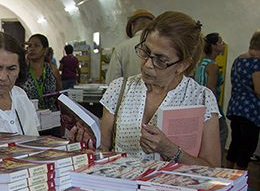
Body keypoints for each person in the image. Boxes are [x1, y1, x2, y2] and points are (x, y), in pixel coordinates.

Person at [70, 11, 221, 167]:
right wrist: (87, 143)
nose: (148, 64)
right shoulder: (120, 89)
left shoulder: (200, 98)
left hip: (171, 190)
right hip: (122, 187)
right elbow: (104, 149)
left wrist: (171, 150)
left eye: (160, 60)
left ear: (183, 65)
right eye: (146, 52)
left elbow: (212, 167)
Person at [226, 30, 260, 191]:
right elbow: (258, 89)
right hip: (251, 110)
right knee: (248, 145)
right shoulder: (257, 62)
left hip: (236, 106)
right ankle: (241, 184)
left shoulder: (239, 59)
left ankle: (227, 177)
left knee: (236, 142)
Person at [194, 33, 228, 153]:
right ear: (214, 46)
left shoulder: (201, 64)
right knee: (222, 132)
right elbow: (210, 90)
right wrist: (216, 110)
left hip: (198, 104)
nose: (223, 44)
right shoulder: (212, 66)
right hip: (209, 106)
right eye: (220, 42)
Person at [106, 9, 155, 83]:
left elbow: (112, 81)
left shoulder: (121, 48)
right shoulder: (161, 47)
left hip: (127, 94)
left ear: (132, 26)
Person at [21, 34, 62, 110]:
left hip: (50, 116)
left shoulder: (52, 69)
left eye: (36, 46)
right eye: (30, 46)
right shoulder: (22, 70)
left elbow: (59, 95)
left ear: (45, 50)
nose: (32, 49)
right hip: (28, 116)